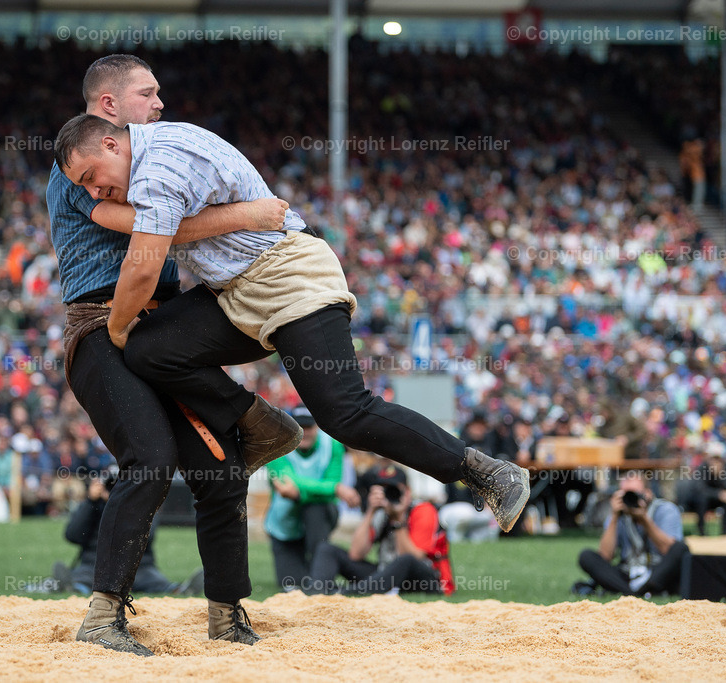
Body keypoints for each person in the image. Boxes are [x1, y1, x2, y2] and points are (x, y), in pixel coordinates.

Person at [53, 113, 530, 538]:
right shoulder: (145, 160)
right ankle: (263, 425)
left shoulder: (157, 168)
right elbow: (162, 225)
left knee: (344, 412)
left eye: (93, 176)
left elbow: (141, 267)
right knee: (151, 349)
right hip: (236, 291)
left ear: (114, 144)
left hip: (289, 277)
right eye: (84, 186)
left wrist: (114, 328)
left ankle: (485, 471)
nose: (94, 190)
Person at [46, 54, 301, 656]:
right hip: (102, 327)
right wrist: (251, 214)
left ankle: (226, 614)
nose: (159, 103)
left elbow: (167, 219)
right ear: (109, 109)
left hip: (155, 326)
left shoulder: (150, 162)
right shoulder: (78, 164)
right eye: (148, 93)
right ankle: (103, 616)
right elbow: (150, 230)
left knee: (220, 468)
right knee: (152, 459)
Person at [307, 464, 454, 596]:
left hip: (427, 579)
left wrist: (398, 519)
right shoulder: (381, 513)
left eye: (394, 490)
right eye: (384, 490)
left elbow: (415, 558)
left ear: (407, 492)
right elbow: (355, 554)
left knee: (405, 560)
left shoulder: (423, 510)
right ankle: (317, 592)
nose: (389, 495)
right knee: (327, 549)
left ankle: (346, 593)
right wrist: (370, 512)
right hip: (386, 576)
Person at [55, 469, 204, 597]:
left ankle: (182, 590)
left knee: (155, 581)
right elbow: (72, 535)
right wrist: (90, 502)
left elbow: (148, 535)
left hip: (138, 566)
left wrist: (130, 503)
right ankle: (72, 587)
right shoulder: (93, 507)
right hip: (95, 564)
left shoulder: (141, 505)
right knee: (84, 579)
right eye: (111, 487)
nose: (114, 490)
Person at [264, 405, 361, 590]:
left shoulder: (333, 445)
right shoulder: (275, 445)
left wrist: (300, 493)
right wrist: (334, 488)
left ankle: (321, 574)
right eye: (299, 427)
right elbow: (290, 481)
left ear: (317, 427)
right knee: (291, 585)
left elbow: (292, 486)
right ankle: (320, 574)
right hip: (284, 527)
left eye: (308, 427)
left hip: (318, 515)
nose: (303, 432)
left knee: (316, 509)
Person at [576, 471, 688, 597]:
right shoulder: (618, 514)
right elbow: (605, 556)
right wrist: (614, 517)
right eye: (625, 494)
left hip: (659, 572)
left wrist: (644, 519)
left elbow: (669, 549)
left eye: (634, 494)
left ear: (648, 494)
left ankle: (636, 591)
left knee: (681, 548)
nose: (629, 498)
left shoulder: (665, 510)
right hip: (629, 572)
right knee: (587, 556)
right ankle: (636, 593)